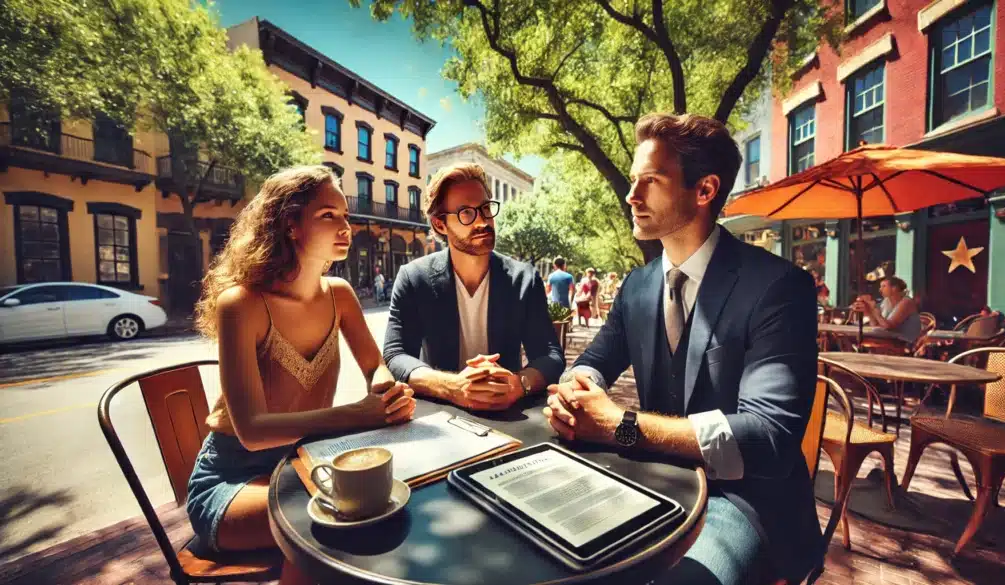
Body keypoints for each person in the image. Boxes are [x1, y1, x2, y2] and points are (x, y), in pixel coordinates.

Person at [544, 113, 821, 585]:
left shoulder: (779, 287)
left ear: (705, 190)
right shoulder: (637, 285)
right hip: (655, 485)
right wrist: (576, 390)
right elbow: (595, 360)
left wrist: (619, 426)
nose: (632, 196)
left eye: (650, 181)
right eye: (634, 180)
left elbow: (768, 437)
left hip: (744, 502)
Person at [187, 166, 416, 585]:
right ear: (290, 224)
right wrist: (357, 414)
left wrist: (384, 389)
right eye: (328, 215)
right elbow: (253, 431)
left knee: (387, 503)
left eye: (345, 216)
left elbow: (376, 365)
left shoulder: (341, 295)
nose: (345, 226)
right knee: (331, 521)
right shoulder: (242, 303)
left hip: (305, 467)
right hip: (232, 480)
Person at [383, 163, 565, 412]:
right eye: (466, 213)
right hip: (441, 417)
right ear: (439, 225)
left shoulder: (524, 279)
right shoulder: (414, 278)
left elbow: (551, 355)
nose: (482, 220)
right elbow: (395, 355)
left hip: (509, 413)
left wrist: (518, 384)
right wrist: (452, 386)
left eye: (486, 208)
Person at [852, 276, 921, 343]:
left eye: (884, 286)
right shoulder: (886, 302)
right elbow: (876, 325)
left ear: (894, 288)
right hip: (893, 339)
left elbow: (888, 326)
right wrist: (870, 311)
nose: (880, 289)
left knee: (862, 337)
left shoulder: (906, 302)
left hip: (905, 342)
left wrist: (874, 309)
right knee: (859, 336)